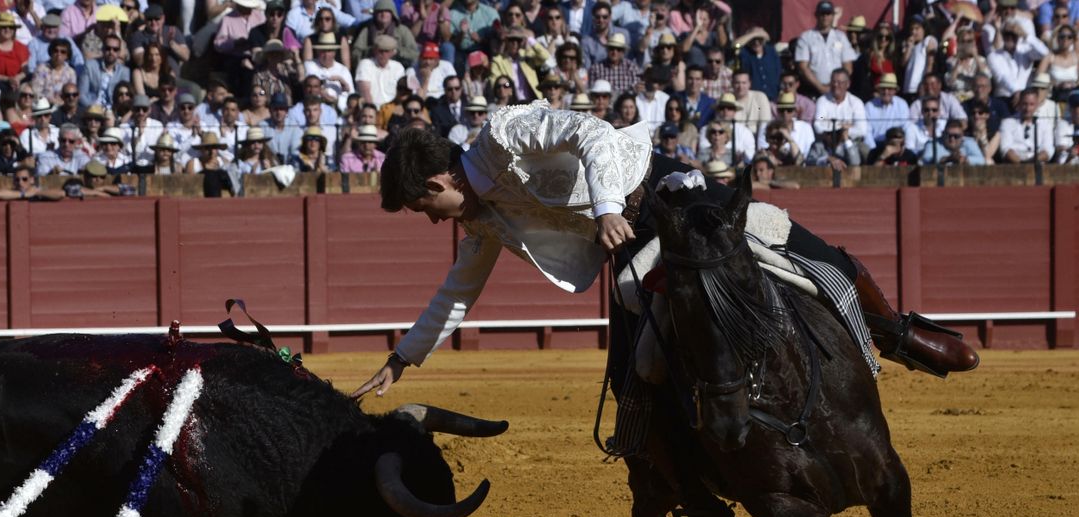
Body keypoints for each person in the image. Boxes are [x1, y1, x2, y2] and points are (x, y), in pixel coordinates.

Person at [351, 103, 979, 405]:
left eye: (423, 208)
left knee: (788, 240)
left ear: (436, 184)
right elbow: (458, 291)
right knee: (630, 382)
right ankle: (675, 492)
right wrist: (404, 359)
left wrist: (604, 208)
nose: (430, 220)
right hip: (624, 241)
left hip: (660, 193)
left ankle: (895, 332)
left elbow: (592, 133)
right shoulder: (482, 223)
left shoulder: (502, 135)